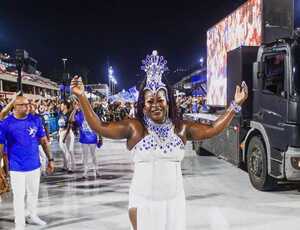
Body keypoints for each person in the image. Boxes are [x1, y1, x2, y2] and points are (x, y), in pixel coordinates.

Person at [70, 50, 248, 230]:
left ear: (168, 101)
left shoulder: (181, 128)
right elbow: (99, 126)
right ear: (143, 105)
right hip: (144, 203)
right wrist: (82, 96)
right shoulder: (135, 127)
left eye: (160, 100)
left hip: (174, 204)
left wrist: (235, 105)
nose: (155, 105)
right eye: (149, 101)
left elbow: (211, 129)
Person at [0, 95, 55, 230]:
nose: (27, 106)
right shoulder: (6, 124)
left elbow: (43, 141)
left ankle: (32, 216)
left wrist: (50, 159)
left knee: (33, 193)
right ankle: (20, 224)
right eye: (23, 104)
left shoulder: (35, 119)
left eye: (27, 104)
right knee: (19, 196)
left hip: (34, 165)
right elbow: (0, 147)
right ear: (14, 107)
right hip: (16, 167)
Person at [72, 100, 100, 178]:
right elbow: (71, 120)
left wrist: (100, 137)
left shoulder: (92, 114)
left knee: (93, 155)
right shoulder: (78, 114)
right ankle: (85, 172)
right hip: (84, 139)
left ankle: (96, 170)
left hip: (92, 138)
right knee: (85, 156)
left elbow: (98, 126)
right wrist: (74, 110)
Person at [57, 100, 75, 172]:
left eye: (61, 105)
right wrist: (59, 134)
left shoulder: (69, 114)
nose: (60, 106)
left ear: (65, 105)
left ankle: (71, 167)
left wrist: (65, 136)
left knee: (69, 150)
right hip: (61, 132)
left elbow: (69, 126)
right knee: (63, 150)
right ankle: (65, 166)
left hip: (68, 133)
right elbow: (60, 125)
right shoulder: (61, 114)